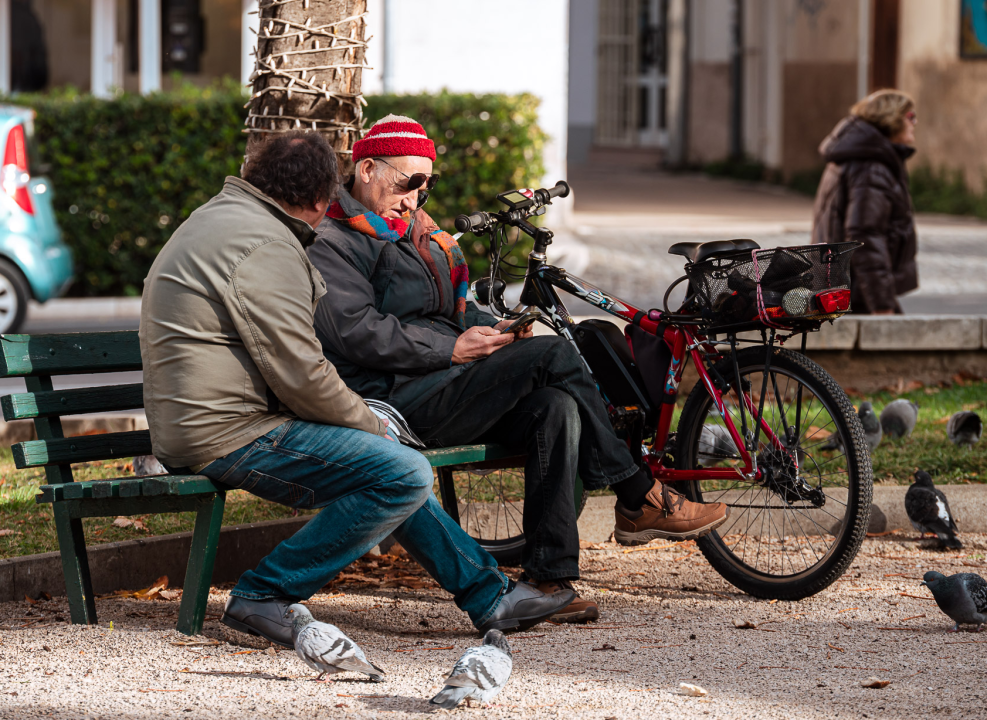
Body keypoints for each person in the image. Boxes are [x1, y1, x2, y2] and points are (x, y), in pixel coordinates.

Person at [138, 130, 573, 648]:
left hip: (215, 418)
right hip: (229, 431)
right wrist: (369, 424)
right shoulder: (265, 245)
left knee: (387, 467)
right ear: (321, 200)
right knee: (402, 469)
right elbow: (300, 372)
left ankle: (488, 597)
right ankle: (263, 593)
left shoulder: (222, 216)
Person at [307, 115, 729, 624]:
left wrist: (498, 327)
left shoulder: (414, 229)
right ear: (367, 168)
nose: (416, 197)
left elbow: (452, 308)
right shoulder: (332, 239)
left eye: (427, 184)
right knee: (554, 355)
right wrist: (452, 350)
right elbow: (355, 330)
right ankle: (636, 492)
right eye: (407, 183)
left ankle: (550, 579)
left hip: (447, 380)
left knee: (554, 408)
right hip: (394, 400)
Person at [812, 89, 919, 315]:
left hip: (846, 287)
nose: (914, 123)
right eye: (910, 116)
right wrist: (881, 305)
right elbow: (865, 237)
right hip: (860, 293)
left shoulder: (858, 157)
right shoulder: (871, 167)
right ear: (890, 119)